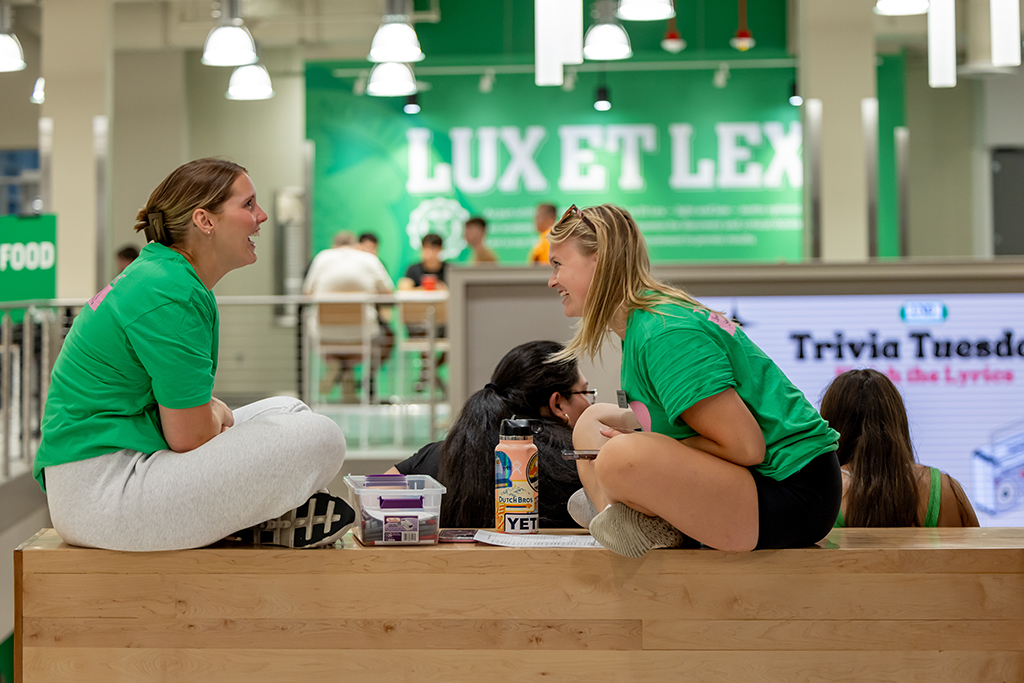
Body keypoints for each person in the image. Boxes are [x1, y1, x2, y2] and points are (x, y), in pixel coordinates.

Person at [33, 158, 353, 552]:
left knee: (290, 410)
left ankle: (261, 516)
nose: (262, 216)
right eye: (248, 204)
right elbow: (190, 436)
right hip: (105, 494)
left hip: (114, 473)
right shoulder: (170, 291)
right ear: (205, 220)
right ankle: (261, 517)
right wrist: (217, 412)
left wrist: (213, 413)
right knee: (323, 437)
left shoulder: (162, 275)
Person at [547, 204, 841, 557]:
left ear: (599, 260)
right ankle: (630, 515)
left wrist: (646, 449)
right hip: (759, 482)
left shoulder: (664, 333)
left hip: (791, 492)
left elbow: (745, 447)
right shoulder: (644, 323)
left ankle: (636, 514)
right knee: (592, 421)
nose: (552, 280)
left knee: (617, 458)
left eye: (558, 265)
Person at [386, 340, 591, 528]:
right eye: (585, 392)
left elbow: (376, 498)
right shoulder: (580, 468)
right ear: (557, 403)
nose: (590, 402)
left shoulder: (436, 456)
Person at [820, 369, 980, 528]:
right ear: (896, 420)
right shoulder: (944, 489)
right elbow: (982, 552)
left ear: (832, 425)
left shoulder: (822, 494)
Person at [303, 230, 395, 401]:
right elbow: (389, 295)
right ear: (356, 245)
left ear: (334, 246)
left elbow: (307, 294)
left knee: (338, 337)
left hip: (324, 336)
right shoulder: (369, 259)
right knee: (386, 337)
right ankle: (354, 378)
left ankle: (338, 367)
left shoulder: (322, 258)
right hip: (362, 335)